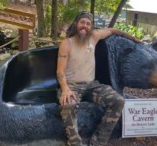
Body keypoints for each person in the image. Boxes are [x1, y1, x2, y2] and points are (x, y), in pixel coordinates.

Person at [56, 11, 141, 146]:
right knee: (68, 105)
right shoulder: (67, 43)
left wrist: (134, 39)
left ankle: (97, 142)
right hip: (72, 85)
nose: (85, 26)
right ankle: (75, 143)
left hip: (91, 86)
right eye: (82, 22)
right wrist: (65, 89)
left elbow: (114, 30)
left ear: (91, 27)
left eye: (88, 24)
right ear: (76, 24)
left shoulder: (94, 37)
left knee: (118, 101)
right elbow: (60, 71)